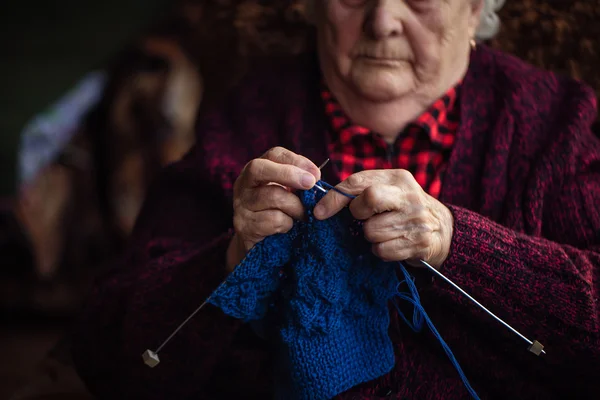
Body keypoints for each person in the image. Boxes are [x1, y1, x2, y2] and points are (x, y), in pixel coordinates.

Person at [71, 0, 600, 399]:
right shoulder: (246, 118)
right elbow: (108, 351)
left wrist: (458, 244)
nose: (383, 21)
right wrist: (229, 262)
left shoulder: (560, 125)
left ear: (477, 7)